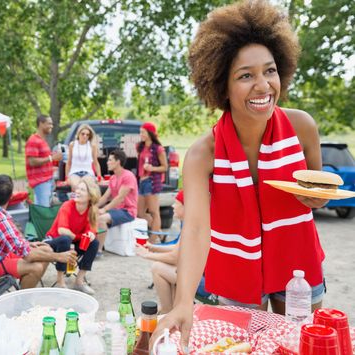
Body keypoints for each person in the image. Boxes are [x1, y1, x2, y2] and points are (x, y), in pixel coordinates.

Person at [152, 0, 328, 350]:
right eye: (245, 75)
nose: (263, 86)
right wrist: (183, 300)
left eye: (270, 70)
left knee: (299, 347)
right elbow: (197, 229)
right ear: (221, 84)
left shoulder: (302, 127)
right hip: (234, 275)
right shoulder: (204, 153)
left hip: (298, 269)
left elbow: (318, 191)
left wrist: (317, 198)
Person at [0, 175, 77, 290]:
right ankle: (22, 300)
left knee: (47, 249)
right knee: (36, 268)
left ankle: (27, 286)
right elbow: (28, 256)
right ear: (10, 197)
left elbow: (11, 239)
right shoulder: (0, 221)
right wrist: (59, 256)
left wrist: (26, 243)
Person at [45, 176, 101, 295]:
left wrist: (90, 235)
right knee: (65, 240)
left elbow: (92, 231)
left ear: (90, 196)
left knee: (94, 242)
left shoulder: (91, 211)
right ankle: (60, 282)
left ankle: (79, 281)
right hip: (54, 243)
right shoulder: (67, 205)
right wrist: (81, 237)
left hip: (73, 243)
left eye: (82, 190)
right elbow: (62, 231)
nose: (77, 191)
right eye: (77, 189)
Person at [135, 190, 183, 313]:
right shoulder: (189, 223)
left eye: (176, 203)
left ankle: (167, 311)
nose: (172, 206)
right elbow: (177, 248)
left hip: (201, 281)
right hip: (196, 273)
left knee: (157, 268)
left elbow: (175, 257)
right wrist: (152, 247)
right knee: (163, 266)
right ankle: (170, 309)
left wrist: (147, 255)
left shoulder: (191, 227)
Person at [97, 150, 138, 255]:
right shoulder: (113, 178)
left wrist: (104, 209)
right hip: (116, 210)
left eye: (110, 160)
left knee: (101, 218)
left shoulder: (128, 176)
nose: (107, 162)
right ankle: (92, 245)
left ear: (118, 162)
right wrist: (93, 207)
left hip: (127, 211)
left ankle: (98, 251)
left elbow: (120, 198)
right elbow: (105, 197)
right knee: (93, 214)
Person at [136, 122, 168, 243]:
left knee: (154, 212)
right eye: (140, 132)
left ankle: (153, 240)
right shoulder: (140, 147)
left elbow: (165, 167)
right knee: (140, 213)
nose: (141, 134)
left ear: (149, 133)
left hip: (152, 182)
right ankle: (159, 232)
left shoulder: (158, 149)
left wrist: (152, 168)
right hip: (142, 182)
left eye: (143, 132)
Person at [25, 114, 63, 207]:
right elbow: (32, 161)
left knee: (44, 209)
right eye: (49, 124)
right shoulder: (33, 140)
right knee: (43, 210)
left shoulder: (42, 140)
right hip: (40, 182)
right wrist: (51, 158)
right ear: (41, 124)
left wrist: (54, 158)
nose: (52, 126)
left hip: (47, 180)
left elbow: (44, 160)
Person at [65, 124, 102, 191]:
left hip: (88, 173)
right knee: (76, 186)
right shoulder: (72, 145)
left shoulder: (92, 146)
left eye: (87, 135)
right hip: (74, 172)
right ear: (78, 134)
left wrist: (99, 176)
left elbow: (96, 163)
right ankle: (74, 200)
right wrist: (66, 176)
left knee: (86, 186)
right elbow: (69, 162)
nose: (85, 136)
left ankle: (87, 201)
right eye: (83, 134)